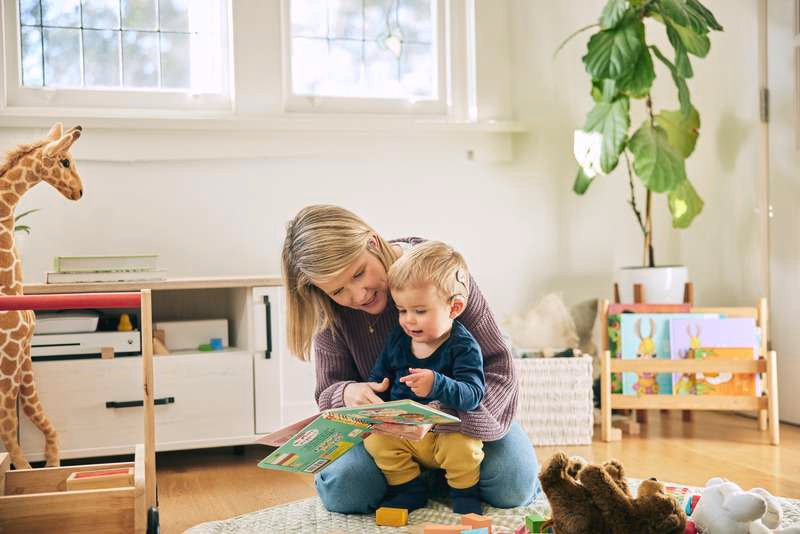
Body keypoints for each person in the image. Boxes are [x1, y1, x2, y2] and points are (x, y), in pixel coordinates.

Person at [281, 204, 540, 514]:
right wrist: (348, 392)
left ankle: (438, 474)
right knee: (345, 489)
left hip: (460, 414)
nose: (358, 294)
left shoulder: (437, 272)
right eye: (338, 290)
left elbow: (499, 367)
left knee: (513, 483)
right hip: (386, 435)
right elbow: (329, 390)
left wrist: (440, 416)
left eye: (359, 273)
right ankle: (427, 478)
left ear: (374, 243)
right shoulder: (330, 310)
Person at [364, 241, 485, 514]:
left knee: (464, 449)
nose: (408, 321)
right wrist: (373, 389)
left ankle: (465, 496)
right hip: (403, 432)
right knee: (376, 440)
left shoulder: (463, 346)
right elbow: (380, 373)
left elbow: (473, 394)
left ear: (454, 309)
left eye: (419, 311)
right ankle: (409, 490)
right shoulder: (398, 338)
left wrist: (437, 383)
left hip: (446, 433)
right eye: (401, 310)